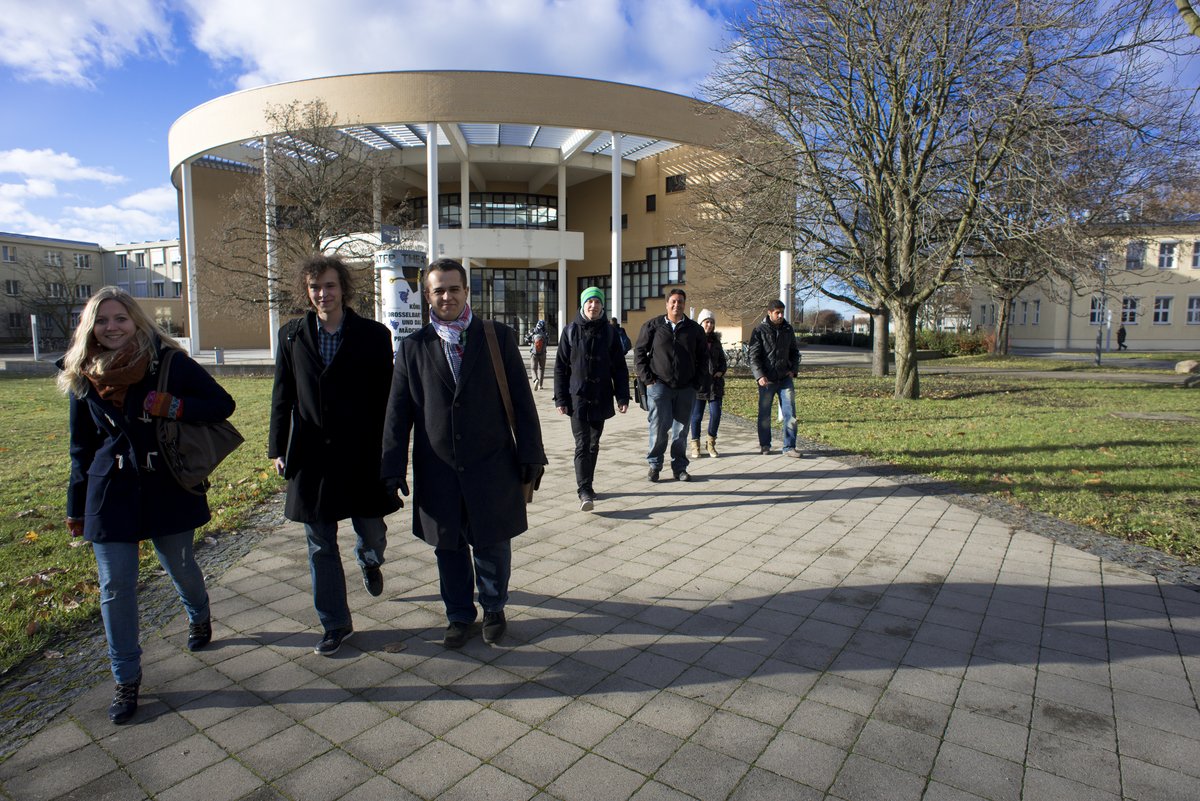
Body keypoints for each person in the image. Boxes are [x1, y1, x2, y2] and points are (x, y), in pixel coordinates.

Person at [59, 286, 235, 724]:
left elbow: (222, 403)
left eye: (120, 318)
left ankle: (198, 614)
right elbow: (80, 448)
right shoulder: (82, 373)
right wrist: (76, 507)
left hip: (165, 484)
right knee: (115, 587)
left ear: (136, 320)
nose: (111, 327)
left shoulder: (168, 362)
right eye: (102, 320)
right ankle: (126, 680)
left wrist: (172, 405)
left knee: (179, 564)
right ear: (90, 327)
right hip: (109, 491)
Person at [382, 258, 546, 648]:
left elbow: (522, 401)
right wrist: (390, 467)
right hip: (438, 470)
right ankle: (458, 615)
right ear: (427, 296)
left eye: (454, 288)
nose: (447, 296)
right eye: (438, 290)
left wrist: (532, 453)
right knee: (448, 547)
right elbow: (397, 410)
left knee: (492, 543)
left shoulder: (497, 337)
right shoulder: (413, 347)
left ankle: (493, 607)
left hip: (491, 463)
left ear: (466, 291)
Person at [268, 255, 400, 657]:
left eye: (328, 285)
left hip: (362, 456)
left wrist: (393, 450)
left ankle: (369, 558)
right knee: (320, 545)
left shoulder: (374, 334)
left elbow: (387, 398)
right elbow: (282, 394)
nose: (322, 294)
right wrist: (277, 447)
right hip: (313, 459)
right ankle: (335, 624)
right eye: (314, 288)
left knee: (372, 530)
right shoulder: (291, 335)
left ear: (342, 287)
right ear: (306, 293)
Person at [554, 287, 631, 511]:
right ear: (583, 304)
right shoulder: (570, 331)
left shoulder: (610, 333)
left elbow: (619, 368)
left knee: (594, 444)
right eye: (590, 302)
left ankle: (589, 484)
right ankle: (584, 491)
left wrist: (622, 396)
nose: (593, 306)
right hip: (577, 398)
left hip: (601, 396)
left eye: (597, 302)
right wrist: (560, 398)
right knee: (582, 444)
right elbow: (560, 368)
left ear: (602, 306)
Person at [634, 288, 707, 482]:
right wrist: (648, 380)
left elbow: (703, 357)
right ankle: (655, 466)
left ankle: (679, 467)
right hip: (659, 386)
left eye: (680, 302)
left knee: (681, 430)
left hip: (686, 387)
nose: (677, 305)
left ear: (684, 304)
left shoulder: (694, 329)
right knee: (658, 427)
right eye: (673, 302)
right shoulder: (653, 326)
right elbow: (639, 353)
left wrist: (697, 383)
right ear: (667, 304)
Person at [748, 299, 801, 457]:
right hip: (767, 380)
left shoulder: (787, 329)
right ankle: (765, 445)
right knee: (764, 414)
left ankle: (789, 447)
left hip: (785, 378)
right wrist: (759, 376)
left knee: (790, 413)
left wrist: (793, 369)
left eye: (781, 312)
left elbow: (794, 351)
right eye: (777, 312)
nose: (780, 315)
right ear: (769, 313)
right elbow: (753, 356)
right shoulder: (759, 330)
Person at [688, 309, 727, 459]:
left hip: (715, 384)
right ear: (701, 323)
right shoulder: (695, 340)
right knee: (696, 416)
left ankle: (711, 443)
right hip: (699, 384)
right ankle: (695, 444)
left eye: (711, 322)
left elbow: (723, 361)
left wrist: (721, 372)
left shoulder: (716, 342)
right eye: (706, 322)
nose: (709, 325)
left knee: (716, 414)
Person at [524, 319, 548, 390]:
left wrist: (531, 342)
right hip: (543, 353)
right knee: (541, 369)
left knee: (533, 368)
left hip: (534, 353)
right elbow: (547, 342)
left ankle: (535, 380)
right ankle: (540, 385)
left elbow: (526, 339)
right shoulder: (545, 333)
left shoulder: (533, 331)